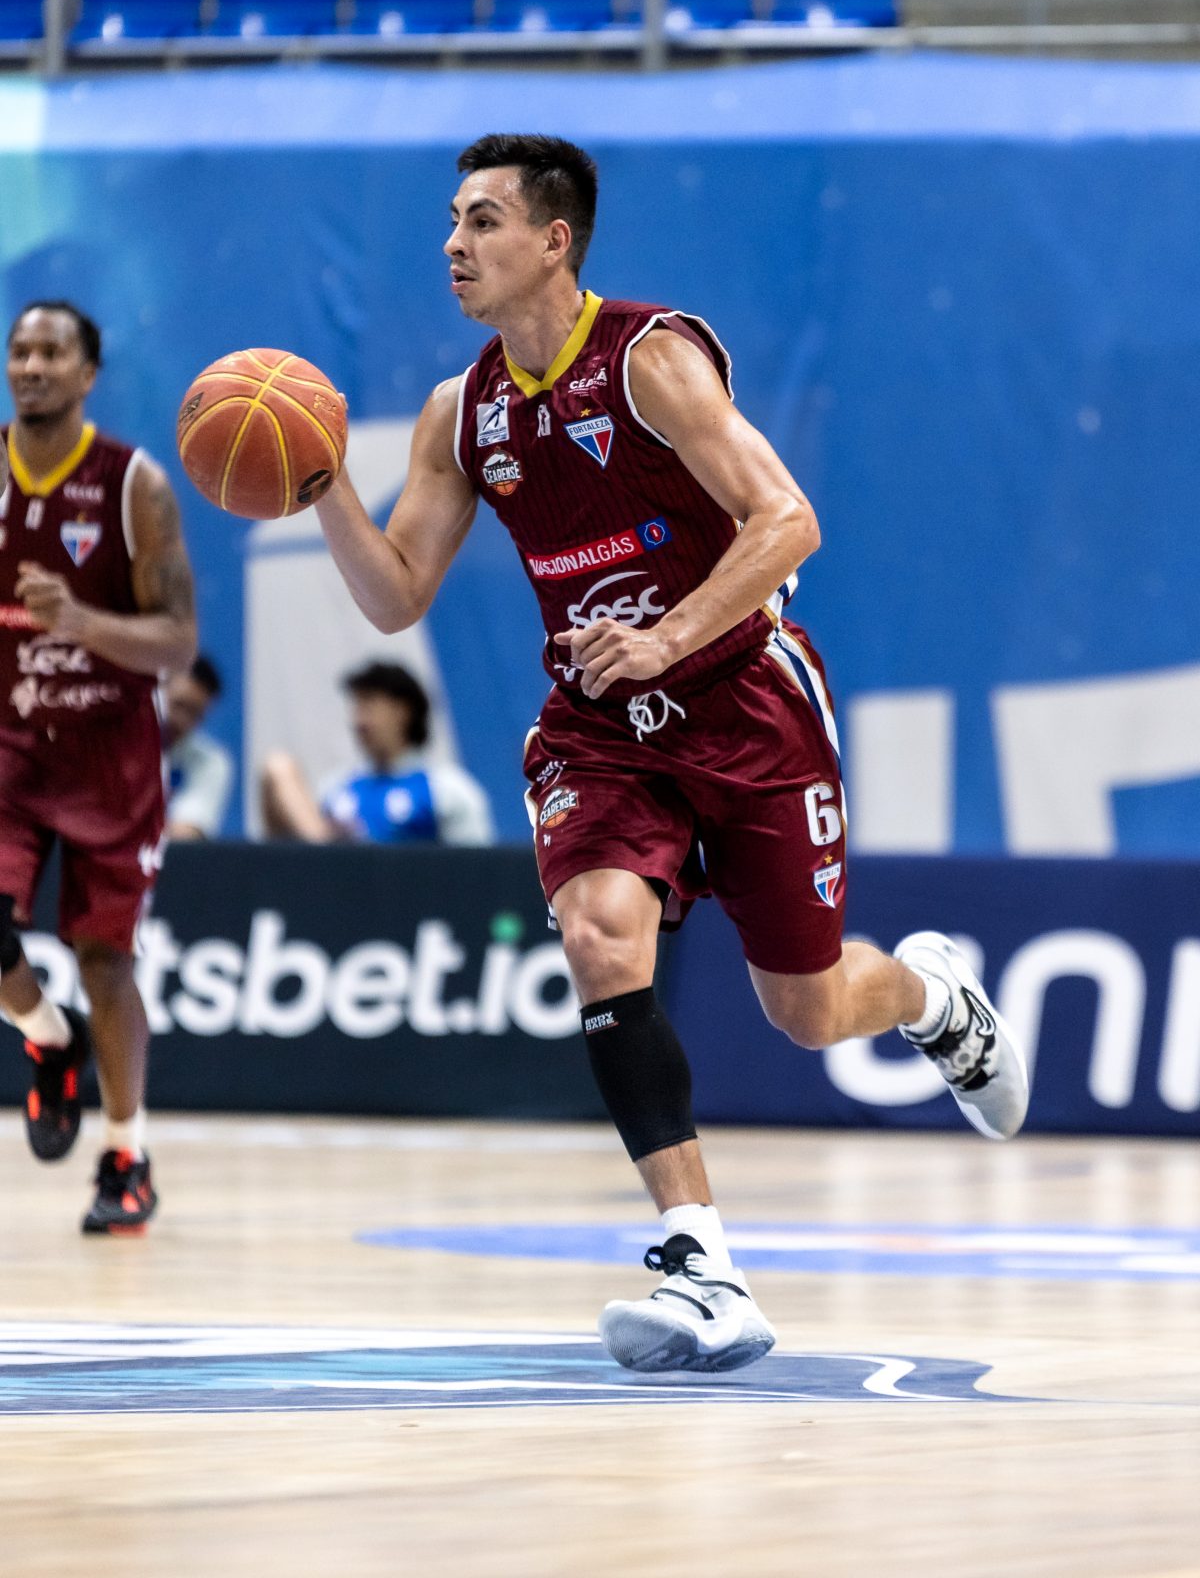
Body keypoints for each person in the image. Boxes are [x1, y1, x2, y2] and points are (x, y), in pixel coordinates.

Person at [312, 133, 1029, 1373]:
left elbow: (786, 519)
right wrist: (321, 484)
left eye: (482, 221)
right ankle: (703, 1265)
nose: (453, 245)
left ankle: (932, 999)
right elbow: (395, 596)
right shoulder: (459, 413)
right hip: (600, 727)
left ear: (555, 241)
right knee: (599, 936)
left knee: (806, 1008)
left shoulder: (651, 359)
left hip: (746, 702)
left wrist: (668, 635)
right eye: (451, 220)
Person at [0, 300, 197, 1234]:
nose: (31, 365)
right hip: (9, 745)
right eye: (20, 350)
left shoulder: (133, 485)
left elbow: (177, 642)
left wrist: (79, 621)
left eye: (52, 352)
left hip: (109, 754)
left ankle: (127, 1155)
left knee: (104, 961)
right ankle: (48, 1037)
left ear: (88, 374)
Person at [260, 658, 494, 847]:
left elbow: (474, 871)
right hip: (334, 885)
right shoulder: (335, 788)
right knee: (279, 767)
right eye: (356, 708)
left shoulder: (449, 791)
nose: (358, 721)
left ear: (402, 711)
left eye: (368, 706)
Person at [162, 653, 234, 842]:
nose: (181, 721)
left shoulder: (212, 762)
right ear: (157, 692)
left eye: (195, 714)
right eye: (178, 705)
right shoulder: (116, 746)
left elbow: (186, 834)